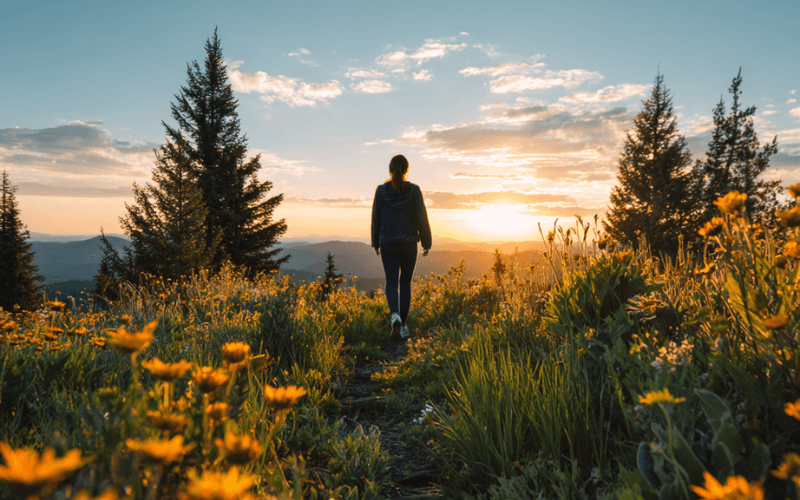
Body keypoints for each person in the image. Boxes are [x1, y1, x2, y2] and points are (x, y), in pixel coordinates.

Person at [371, 154, 432, 343]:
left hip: (388, 242)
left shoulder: (381, 191)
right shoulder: (414, 191)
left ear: (390, 169)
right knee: (405, 283)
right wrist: (426, 241)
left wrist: (375, 241)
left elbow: (376, 217)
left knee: (391, 282)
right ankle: (403, 326)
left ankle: (394, 316)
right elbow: (421, 216)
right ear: (407, 170)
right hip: (408, 243)